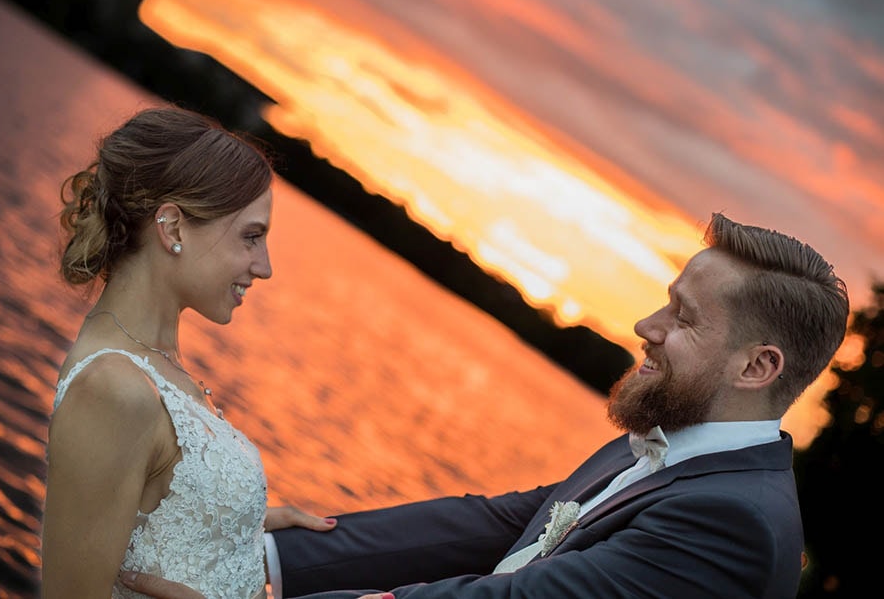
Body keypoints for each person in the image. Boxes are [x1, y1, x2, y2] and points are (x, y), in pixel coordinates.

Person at [121, 212, 849, 599]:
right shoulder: (673, 444)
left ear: (758, 367)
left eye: (683, 319)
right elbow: (495, 523)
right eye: (666, 303)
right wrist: (267, 558)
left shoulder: (736, 525)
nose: (646, 328)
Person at [40, 105, 336, 599]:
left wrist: (235, 525)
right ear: (173, 228)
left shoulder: (158, 360)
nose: (263, 267)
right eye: (251, 236)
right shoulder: (113, 389)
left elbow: (147, 509)